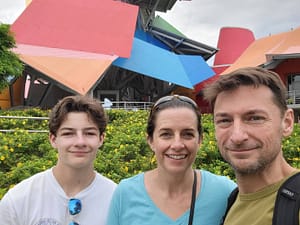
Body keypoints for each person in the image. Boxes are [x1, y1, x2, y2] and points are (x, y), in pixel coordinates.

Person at [106, 95, 236, 225]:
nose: (177, 145)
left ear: (200, 140)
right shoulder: (125, 194)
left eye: (187, 134)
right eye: (166, 134)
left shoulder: (224, 192)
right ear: (151, 140)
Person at [203, 67, 299, 225]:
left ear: (287, 123)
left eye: (254, 118)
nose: (237, 136)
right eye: (224, 120)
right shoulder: (230, 202)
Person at [0, 95, 117, 225]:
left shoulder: (117, 201)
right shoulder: (18, 200)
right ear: (53, 139)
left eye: (89, 133)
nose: (80, 142)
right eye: (68, 133)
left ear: (101, 139)